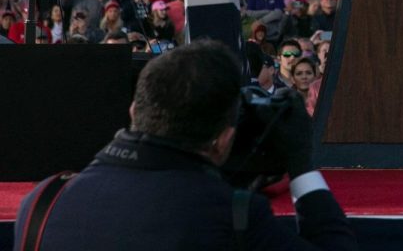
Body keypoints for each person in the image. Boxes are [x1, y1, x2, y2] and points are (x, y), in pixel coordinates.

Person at [14, 39, 355, 249]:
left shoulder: (43, 201)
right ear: (222, 141)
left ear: (135, 109)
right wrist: (301, 165)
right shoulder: (233, 216)